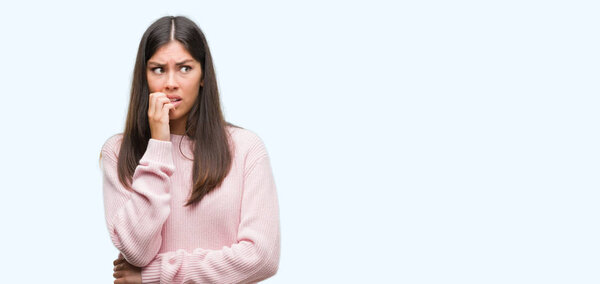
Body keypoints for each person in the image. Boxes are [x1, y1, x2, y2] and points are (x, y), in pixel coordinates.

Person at [99, 15, 281, 284]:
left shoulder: (245, 148)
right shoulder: (117, 152)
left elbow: (262, 256)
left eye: (185, 68)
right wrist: (159, 143)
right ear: (144, 76)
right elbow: (137, 252)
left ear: (203, 76)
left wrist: (156, 274)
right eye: (158, 69)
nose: (171, 82)